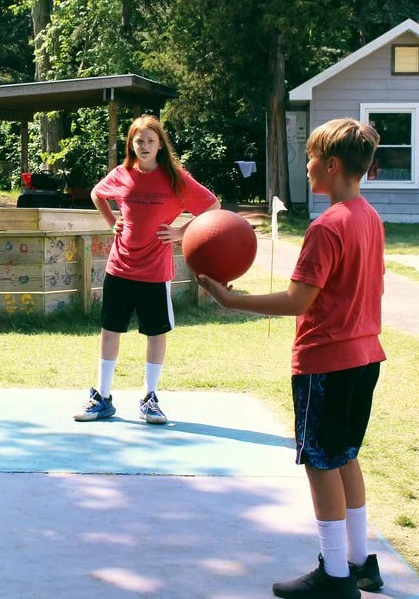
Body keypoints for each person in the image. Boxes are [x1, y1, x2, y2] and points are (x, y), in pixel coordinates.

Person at [198, 118, 385, 598]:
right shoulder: (369, 216)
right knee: (345, 456)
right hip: (365, 356)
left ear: (333, 165)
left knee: (320, 464)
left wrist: (231, 300)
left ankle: (335, 577)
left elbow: (298, 301)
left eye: (310, 159)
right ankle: (362, 563)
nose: (305, 167)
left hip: (327, 361)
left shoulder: (327, 227)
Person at [74, 114, 219, 426]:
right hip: (119, 267)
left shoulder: (176, 178)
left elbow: (212, 206)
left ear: (160, 145)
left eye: (150, 140)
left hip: (154, 272)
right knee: (110, 330)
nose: (144, 145)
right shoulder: (122, 173)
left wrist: (182, 232)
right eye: (138, 140)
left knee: (155, 334)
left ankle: (150, 398)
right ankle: (102, 396)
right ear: (131, 144)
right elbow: (98, 194)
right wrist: (113, 222)